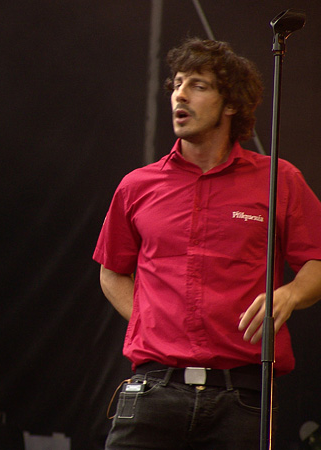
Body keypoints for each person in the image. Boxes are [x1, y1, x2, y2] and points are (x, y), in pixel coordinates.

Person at [93, 38, 321, 449]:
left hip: (241, 397)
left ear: (230, 103)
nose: (179, 93)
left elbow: (318, 260)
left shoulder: (277, 178)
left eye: (197, 85)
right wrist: (149, 317)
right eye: (177, 83)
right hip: (152, 388)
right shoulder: (137, 185)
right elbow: (111, 271)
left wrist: (290, 293)